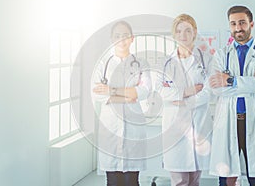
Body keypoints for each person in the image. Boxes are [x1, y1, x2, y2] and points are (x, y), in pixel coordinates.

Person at [209, 5, 255, 186]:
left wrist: (231, 80)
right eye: (233, 24)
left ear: (251, 24)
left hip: (254, 119)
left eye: (242, 22)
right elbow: (217, 89)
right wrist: (251, 81)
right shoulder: (220, 55)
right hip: (228, 121)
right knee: (227, 177)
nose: (238, 28)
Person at [91, 21, 152, 186]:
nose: (121, 39)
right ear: (112, 39)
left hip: (133, 128)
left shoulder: (141, 64)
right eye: (117, 36)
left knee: (132, 181)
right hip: (110, 127)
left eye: (125, 36)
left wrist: (111, 90)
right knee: (112, 181)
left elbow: (144, 91)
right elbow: (97, 94)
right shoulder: (103, 65)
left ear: (132, 39)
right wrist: (128, 94)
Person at [157, 14, 213, 186]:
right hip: (175, 127)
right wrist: (187, 91)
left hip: (199, 123)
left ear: (194, 33)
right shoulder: (165, 62)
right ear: (174, 34)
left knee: (195, 180)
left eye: (188, 30)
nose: (183, 35)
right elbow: (160, 91)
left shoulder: (207, 59)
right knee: (179, 180)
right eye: (179, 31)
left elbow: (210, 90)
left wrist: (185, 100)